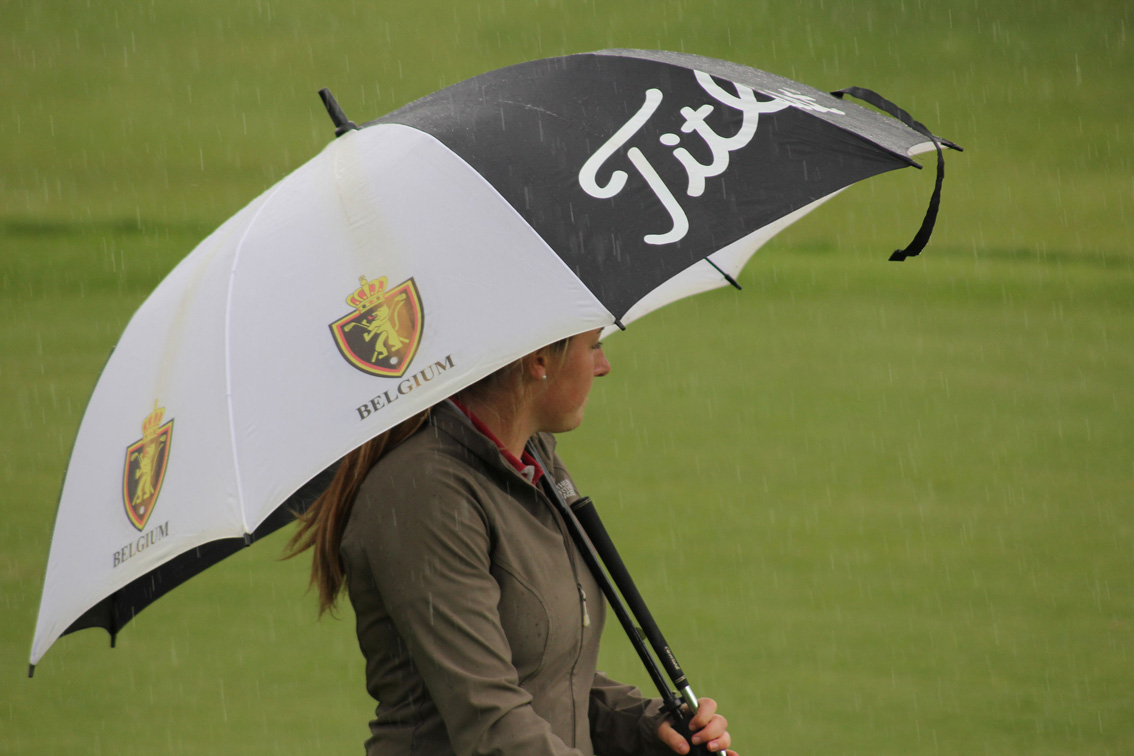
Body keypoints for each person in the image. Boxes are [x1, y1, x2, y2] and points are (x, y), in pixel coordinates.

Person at [288, 328, 735, 756]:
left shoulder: (534, 458)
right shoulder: (424, 495)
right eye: (593, 345)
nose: (603, 366)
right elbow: (490, 724)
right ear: (539, 359)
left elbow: (548, 675)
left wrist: (647, 728)